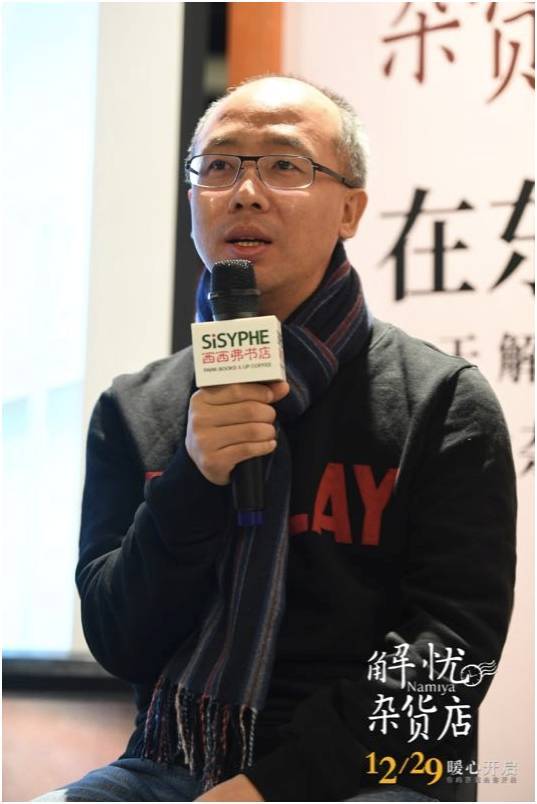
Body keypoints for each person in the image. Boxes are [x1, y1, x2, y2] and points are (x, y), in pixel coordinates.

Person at [36, 75, 516, 802]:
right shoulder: (135, 407)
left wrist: (271, 787)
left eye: (285, 165)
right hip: (169, 759)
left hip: (374, 772)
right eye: (220, 166)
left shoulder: (442, 401)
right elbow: (119, 640)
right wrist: (195, 477)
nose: (245, 193)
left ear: (351, 209)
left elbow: (452, 654)